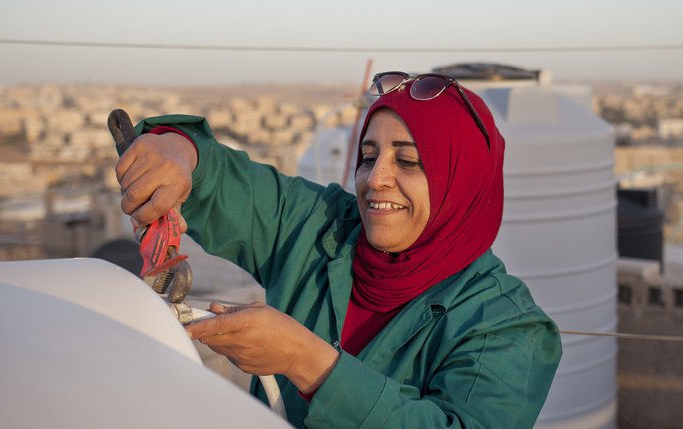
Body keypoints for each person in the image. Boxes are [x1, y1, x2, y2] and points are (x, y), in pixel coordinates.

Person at [114, 71, 562, 428]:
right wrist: (177, 150)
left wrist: (305, 361)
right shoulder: (322, 227)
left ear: (460, 185)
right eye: (369, 155)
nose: (374, 178)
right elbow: (223, 182)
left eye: (406, 161)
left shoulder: (507, 328)